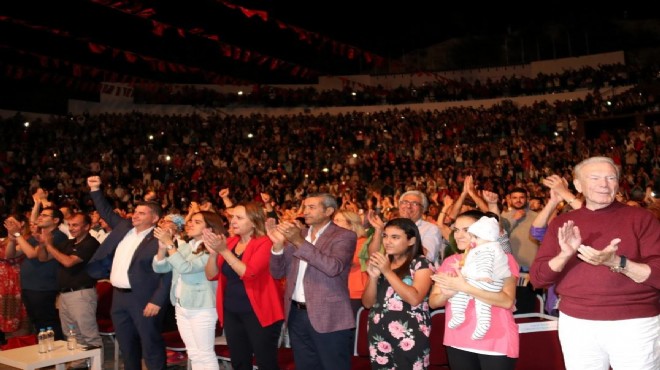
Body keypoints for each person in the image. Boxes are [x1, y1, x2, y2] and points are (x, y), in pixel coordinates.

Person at [530, 156, 660, 370]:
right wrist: (564, 254)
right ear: (578, 185)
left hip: (634, 323)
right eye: (595, 177)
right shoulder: (562, 223)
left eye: (610, 177)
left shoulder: (641, 218)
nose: (604, 184)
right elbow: (538, 278)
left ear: (618, 183)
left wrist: (617, 262)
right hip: (577, 323)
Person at [85, 176, 172, 370]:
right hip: (119, 297)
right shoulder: (124, 227)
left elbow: (168, 272)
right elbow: (105, 210)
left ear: (155, 218)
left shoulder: (160, 238)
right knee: (127, 347)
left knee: (151, 346)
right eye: (135, 212)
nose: (135, 215)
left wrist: (158, 300)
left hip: (144, 299)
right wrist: (95, 189)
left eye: (142, 213)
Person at [268, 193, 356, 370]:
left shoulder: (344, 236)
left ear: (328, 211)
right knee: (305, 365)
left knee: (333, 365)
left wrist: (299, 241)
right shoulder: (298, 235)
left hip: (329, 314)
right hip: (296, 313)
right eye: (304, 207)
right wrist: (277, 247)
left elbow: (332, 267)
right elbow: (277, 273)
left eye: (311, 207)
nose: (305, 212)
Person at [429, 210, 519, 370]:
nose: (459, 235)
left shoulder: (501, 257)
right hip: (457, 338)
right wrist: (447, 294)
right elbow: (433, 302)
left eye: (467, 230)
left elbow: (507, 301)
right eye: (456, 230)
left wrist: (464, 287)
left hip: (495, 340)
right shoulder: (451, 261)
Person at [204, 202, 284, 370]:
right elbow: (211, 275)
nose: (233, 221)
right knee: (239, 361)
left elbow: (249, 273)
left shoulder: (265, 243)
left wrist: (223, 251)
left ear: (254, 222)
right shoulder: (231, 242)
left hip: (259, 311)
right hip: (232, 311)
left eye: (239, 218)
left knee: (265, 362)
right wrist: (213, 254)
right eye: (233, 217)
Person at [153, 211, 223, 370]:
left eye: (197, 222)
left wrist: (170, 244)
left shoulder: (212, 247)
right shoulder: (188, 245)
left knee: (204, 353)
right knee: (193, 353)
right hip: (181, 305)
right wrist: (162, 248)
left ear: (210, 228)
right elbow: (160, 267)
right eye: (190, 221)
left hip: (202, 307)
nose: (190, 223)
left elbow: (185, 268)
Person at [361, 218, 433, 369]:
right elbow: (367, 303)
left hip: (410, 334)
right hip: (379, 331)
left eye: (395, 237)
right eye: (385, 236)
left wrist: (387, 272)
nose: (387, 241)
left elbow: (414, 298)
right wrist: (373, 277)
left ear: (411, 240)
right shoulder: (382, 262)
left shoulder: (421, 263)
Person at [38, 212, 102, 367]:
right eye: (70, 225)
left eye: (76, 225)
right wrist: (42, 244)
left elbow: (68, 262)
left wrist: (49, 245)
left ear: (86, 227)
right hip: (65, 294)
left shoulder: (90, 243)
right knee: (72, 334)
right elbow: (43, 258)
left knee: (89, 335)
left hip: (81, 293)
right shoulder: (69, 243)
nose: (72, 228)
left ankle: (97, 366)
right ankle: (80, 363)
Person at [5, 207, 67, 340]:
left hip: (43, 286)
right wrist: (11, 238)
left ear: (55, 220)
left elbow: (32, 254)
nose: (40, 217)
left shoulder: (58, 236)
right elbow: (10, 254)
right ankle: (47, 355)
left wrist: (17, 235)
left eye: (45, 215)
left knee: (47, 322)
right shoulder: (37, 236)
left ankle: (58, 354)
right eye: (40, 214)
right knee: (38, 323)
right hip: (29, 286)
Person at [447, 216, 510, 340]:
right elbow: (472, 263)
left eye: (475, 236)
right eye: (456, 230)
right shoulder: (484, 248)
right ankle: (482, 324)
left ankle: (459, 315)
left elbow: (485, 263)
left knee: (460, 294)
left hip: (483, 281)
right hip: (485, 282)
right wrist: (459, 265)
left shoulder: (486, 249)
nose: (472, 239)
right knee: (482, 305)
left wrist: (484, 275)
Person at [368, 190, 442, 265]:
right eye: (404, 202)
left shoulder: (431, 229)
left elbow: (429, 257)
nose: (408, 206)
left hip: (416, 274)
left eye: (414, 203)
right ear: (399, 206)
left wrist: (406, 229)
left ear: (423, 209)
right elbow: (373, 255)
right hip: (388, 270)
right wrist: (378, 231)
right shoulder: (388, 226)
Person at [332, 209, 369, 316]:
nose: (333, 224)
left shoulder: (362, 243)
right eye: (333, 220)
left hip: (355, 294)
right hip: (339, 292)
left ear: (351, 225)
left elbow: (347, 261)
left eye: (338, 220)